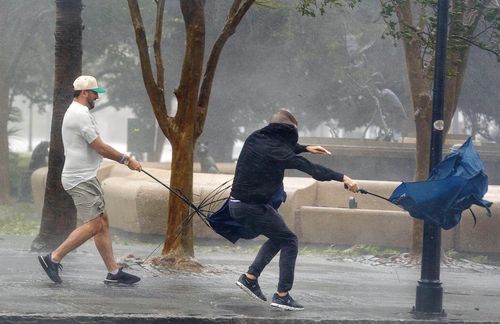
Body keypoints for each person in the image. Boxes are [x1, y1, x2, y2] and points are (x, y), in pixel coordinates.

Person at [231, 109, 359, 310]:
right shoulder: (277, 151)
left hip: (241, 204)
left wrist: (306, 148)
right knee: (290, 240)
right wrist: (344, 178)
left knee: (280, 236)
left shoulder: (256, 138)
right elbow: (312, 169)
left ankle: (250, 278)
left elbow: (281, 148)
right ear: (287, 132)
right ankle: (282, 295)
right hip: (251, 207)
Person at [38, 75, 142, 285]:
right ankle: (53, 258)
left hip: (85, 176)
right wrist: (126, 160)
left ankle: (113, 273)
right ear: (85, 92)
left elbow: (97, 147)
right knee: (94, 225)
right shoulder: (79, 114)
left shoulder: (80, 112)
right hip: (79, 179)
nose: (98, 97)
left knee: (102, 223)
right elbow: (100, 147)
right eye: (95, 93)